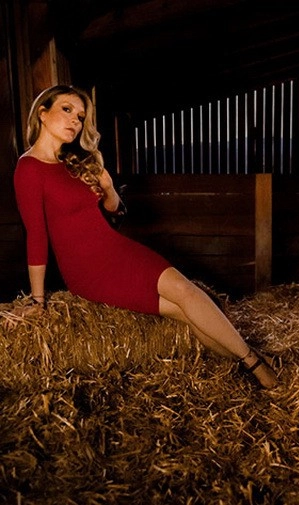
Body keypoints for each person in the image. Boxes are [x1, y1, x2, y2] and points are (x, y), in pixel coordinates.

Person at [13, 84, 278, 389]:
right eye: (67, 109)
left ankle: (249, 362)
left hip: (118, 249)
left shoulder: (74, 162)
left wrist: (108, 188)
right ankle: (256, 364)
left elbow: (114, 211)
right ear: (42, 113)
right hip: (88, 270)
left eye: (81, 117)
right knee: (185, 296)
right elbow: (36, 236)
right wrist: (38, 300)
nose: (75, 120)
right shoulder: (28, 168)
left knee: (187, 304)